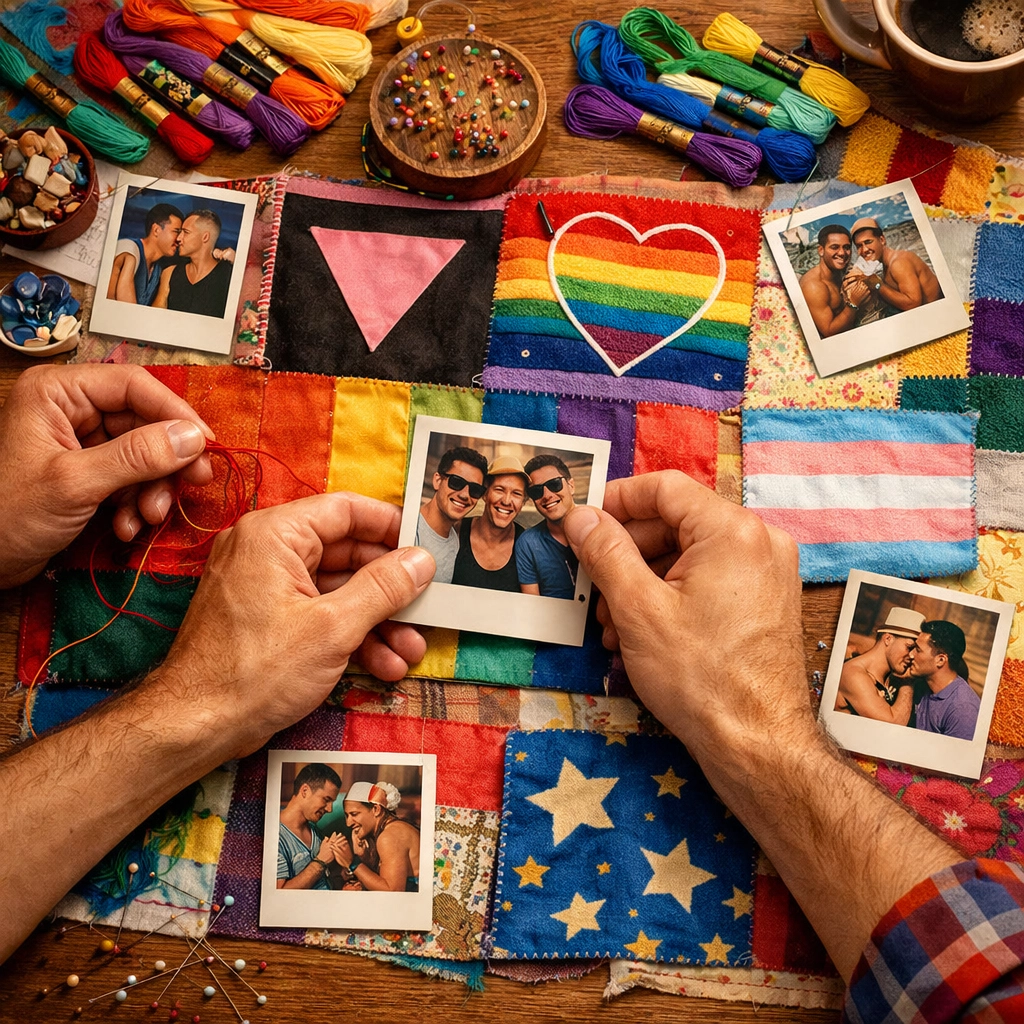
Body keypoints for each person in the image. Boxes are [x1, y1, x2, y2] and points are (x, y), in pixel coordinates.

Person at [2, 366, 1024, 1020]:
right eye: (477, 489)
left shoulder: (543, 549)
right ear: (460, 494)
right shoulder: (440, 542)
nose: (494, 499)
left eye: (506, 491)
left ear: (530, 497)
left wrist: (748, 721)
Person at [451, 454, 527, 592]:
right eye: (499, 490)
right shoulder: (456, 530)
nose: (506, 501)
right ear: (485, 493)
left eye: (516, 493)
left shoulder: (527, 544)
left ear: (523, 503)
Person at [834, 607, 923, 723]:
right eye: (909, 647)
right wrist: (908, 683)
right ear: (888, 639)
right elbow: (893, 725)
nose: (912, 656)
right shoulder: (854, 674)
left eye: (917, 651)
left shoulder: (892, 677)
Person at [415, 445, 487, 584]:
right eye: (456, 482)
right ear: (437, 481)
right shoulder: (410, 529)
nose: (465, 495)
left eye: (475, 490)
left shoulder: (455, 541)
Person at [845, 216, 942, 314]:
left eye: (868, 242)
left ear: (882, 240)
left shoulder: (898, 263)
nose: (864, 249)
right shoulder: (886, 263)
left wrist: (877, 284)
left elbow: (913, 303)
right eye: (859, 246)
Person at [335, 781, 420, 892]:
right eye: (347, 816)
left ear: (376, 809)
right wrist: (363, 858)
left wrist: (353, 863)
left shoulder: (390, 836)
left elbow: (392, 891)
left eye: (354, 814)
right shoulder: (391, 829)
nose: (348, 823)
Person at [516, 454, 579, 599]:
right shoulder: (528, 544)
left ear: (571, 486)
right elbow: (532, 605)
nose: (547, 495)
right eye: (536, 491)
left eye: (554, 484)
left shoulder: (597, 524)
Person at [277, 763, 345, 890]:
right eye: (326, 799)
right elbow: (280, 893)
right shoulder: (275, 836)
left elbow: (325, 878)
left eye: (332, 802)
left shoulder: (315, 831)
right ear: (305, 791)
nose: (329, 809)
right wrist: (321, 861)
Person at [153, 210, 234, 318]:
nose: (178, 238)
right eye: (180, 232)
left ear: (205, 237)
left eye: (186, 232)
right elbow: (154, 319)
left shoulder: (230, 276)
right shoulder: (169, 273)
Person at [911, 620, 982, 740]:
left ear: (940, 660)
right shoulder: (921, 684)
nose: (911, 655)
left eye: (917, 650)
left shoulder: (963, 709)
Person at [798, 223, 871, 337]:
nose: (842, 253)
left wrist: (872, 281)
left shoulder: (844, 270)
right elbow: (828, 331)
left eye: (846, 247)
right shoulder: (814, 286)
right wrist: (853, 304)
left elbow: (878, 287)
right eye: (834, 247)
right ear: (821, 250)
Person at [106, 203, 183, 306]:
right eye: (176, 231)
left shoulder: (159, 268)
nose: (179, 238)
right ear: (156, 230)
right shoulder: (128, 249)